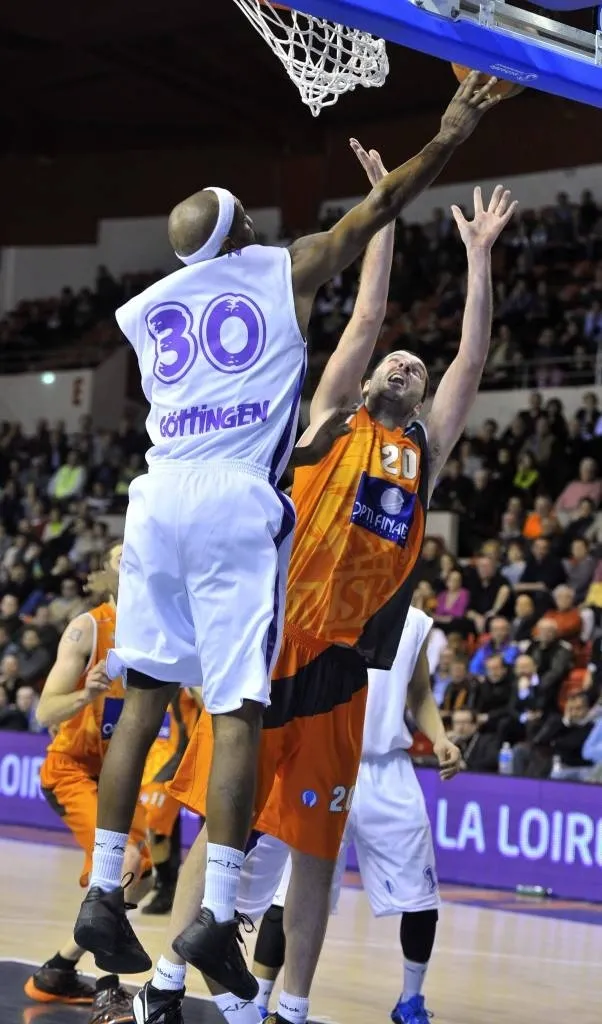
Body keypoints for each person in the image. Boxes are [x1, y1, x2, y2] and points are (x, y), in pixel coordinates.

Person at [74, 71, 503, 999]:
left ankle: (231, 968)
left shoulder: (419, 451)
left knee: (288, 825)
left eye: (413, 366)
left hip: (294, 618)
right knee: (229, 741)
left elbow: (466, 362)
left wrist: (474, 255)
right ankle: (189, 947)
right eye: (392, 360)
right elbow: (366, 303)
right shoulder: (328, 409)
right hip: (258, 573)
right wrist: (422, 169)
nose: (403, 363)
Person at [240, 606, 462, 1024]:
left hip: (388, 769)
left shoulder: (413, 621)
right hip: (323, 763)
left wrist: (440, 738)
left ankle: (410, 1000)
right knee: (287, 896)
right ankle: (258, 1002)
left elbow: (418, 692)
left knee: (420, 896)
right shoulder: (332, 605)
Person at [26, 542, 153, 1024]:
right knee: (125, 862)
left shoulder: (159, 628)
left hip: (118, 773)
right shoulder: (89, 627)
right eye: (121, 554)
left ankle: (57, 971)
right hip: (71, 770)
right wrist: (86, 693)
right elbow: (45, 711)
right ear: (105, 572)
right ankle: (107, 990)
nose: (132, 557)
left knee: (143, 875)